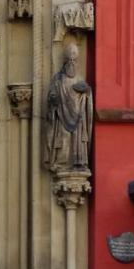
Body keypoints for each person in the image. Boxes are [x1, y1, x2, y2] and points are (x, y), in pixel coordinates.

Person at [43, 42, 93, 173]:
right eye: (69, 60)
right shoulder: (58, 79)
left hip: (78, 116)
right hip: (62, 114)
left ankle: (79, 162)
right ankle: (61, 163)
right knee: (64, 138)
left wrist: (87, 91)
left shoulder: (79, 78)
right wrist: (54, 99)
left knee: (78, 138)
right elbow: (52, 95)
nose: (72, 63)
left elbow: (87, 93)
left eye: (74, 60)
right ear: (65, 62)